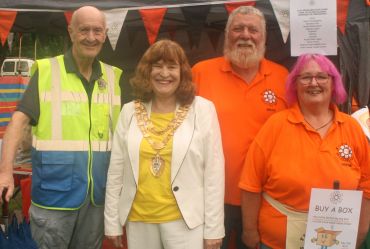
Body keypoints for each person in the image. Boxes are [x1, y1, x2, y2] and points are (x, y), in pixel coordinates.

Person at [0, 6, 122, 249]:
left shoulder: (112, 77)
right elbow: (18, 122)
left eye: (97, 30)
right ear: (71, 32)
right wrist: (5, 172)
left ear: (105, 34)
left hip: (96, 198)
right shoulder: (47, 71)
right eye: (84, 30)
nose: (91, 37)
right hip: (54, 198)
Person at [239, 53, 370, 249]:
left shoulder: (351, 128)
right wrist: (249, 231)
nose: (314, 83)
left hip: (338, 240)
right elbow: (251, 183)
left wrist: (360, 232)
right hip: (277, 242)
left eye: (322, 76)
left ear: (333, 83)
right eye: (306, 77)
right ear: (295, 84)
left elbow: (366, 186)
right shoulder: (276, 125)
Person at [104, 39, 225, 249]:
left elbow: (214, 173)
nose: (164, 73)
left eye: (171, 66)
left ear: (182, 72)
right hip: (139, 220)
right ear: (147, 71)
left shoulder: (203, 110)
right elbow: (116, 172)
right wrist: (112, 223)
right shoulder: (129, 111)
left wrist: (214, 229)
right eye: (157, 66)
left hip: (186, 224)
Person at [192, 6, 288, 249]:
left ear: (263, 38)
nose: (245, 35)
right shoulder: (201, 72)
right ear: (227, 34)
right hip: (210, 198)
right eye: (238, 28)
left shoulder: (282, 77)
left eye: (253, 30)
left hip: (264, 199)